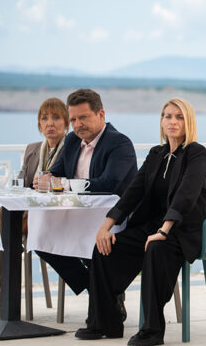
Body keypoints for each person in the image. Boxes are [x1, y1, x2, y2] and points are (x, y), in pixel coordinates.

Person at [74, 97, 206, 346]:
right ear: (161, 121)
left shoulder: (196, 153)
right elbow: (134, 191)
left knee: (156, 248)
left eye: (179, 117)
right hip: (154, 227)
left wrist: (164, 230)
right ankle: (104, 322)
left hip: (184, 230)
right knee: (105, 248)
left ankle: (152, 330)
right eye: (168, 116)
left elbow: (186, 194)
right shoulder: (156, 154)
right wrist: (105, 227)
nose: (172, 121)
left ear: (189, 122)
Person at [35, 88, 137, 298]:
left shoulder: (119, 143)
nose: (77, 124)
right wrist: (44, 179)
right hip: (75, 215)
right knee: (41, 238)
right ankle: (98, 290)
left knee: (93, 246)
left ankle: (105, 297)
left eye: (83, 117)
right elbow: (55, 172)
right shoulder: (72, 140)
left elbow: (109, 183)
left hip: (111, 219)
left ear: (101, 114)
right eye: (73, 119)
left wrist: (63, 183)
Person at [0, 97, 68, 317]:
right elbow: (21, 184)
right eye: (44, 118)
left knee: (0, 217)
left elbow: (69, 183)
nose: (50, 123)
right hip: (25, 213)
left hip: (51, 215)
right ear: (39, 124)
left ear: (66, 123)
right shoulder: (32, 149)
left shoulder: (71, 150)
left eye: (56, 117)